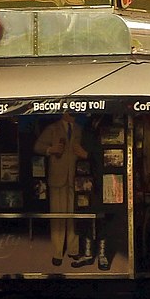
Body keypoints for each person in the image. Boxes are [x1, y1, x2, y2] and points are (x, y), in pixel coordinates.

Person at [34, 112, 89, 266]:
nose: (74, 115)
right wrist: (51, 149)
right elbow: (38, 146)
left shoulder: (79, 129)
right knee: (57, 216)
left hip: (74, 178)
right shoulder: (52, 128)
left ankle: (73, 249)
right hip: (57, 177)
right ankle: (57, 252)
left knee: (73, 215)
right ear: (64, 113)